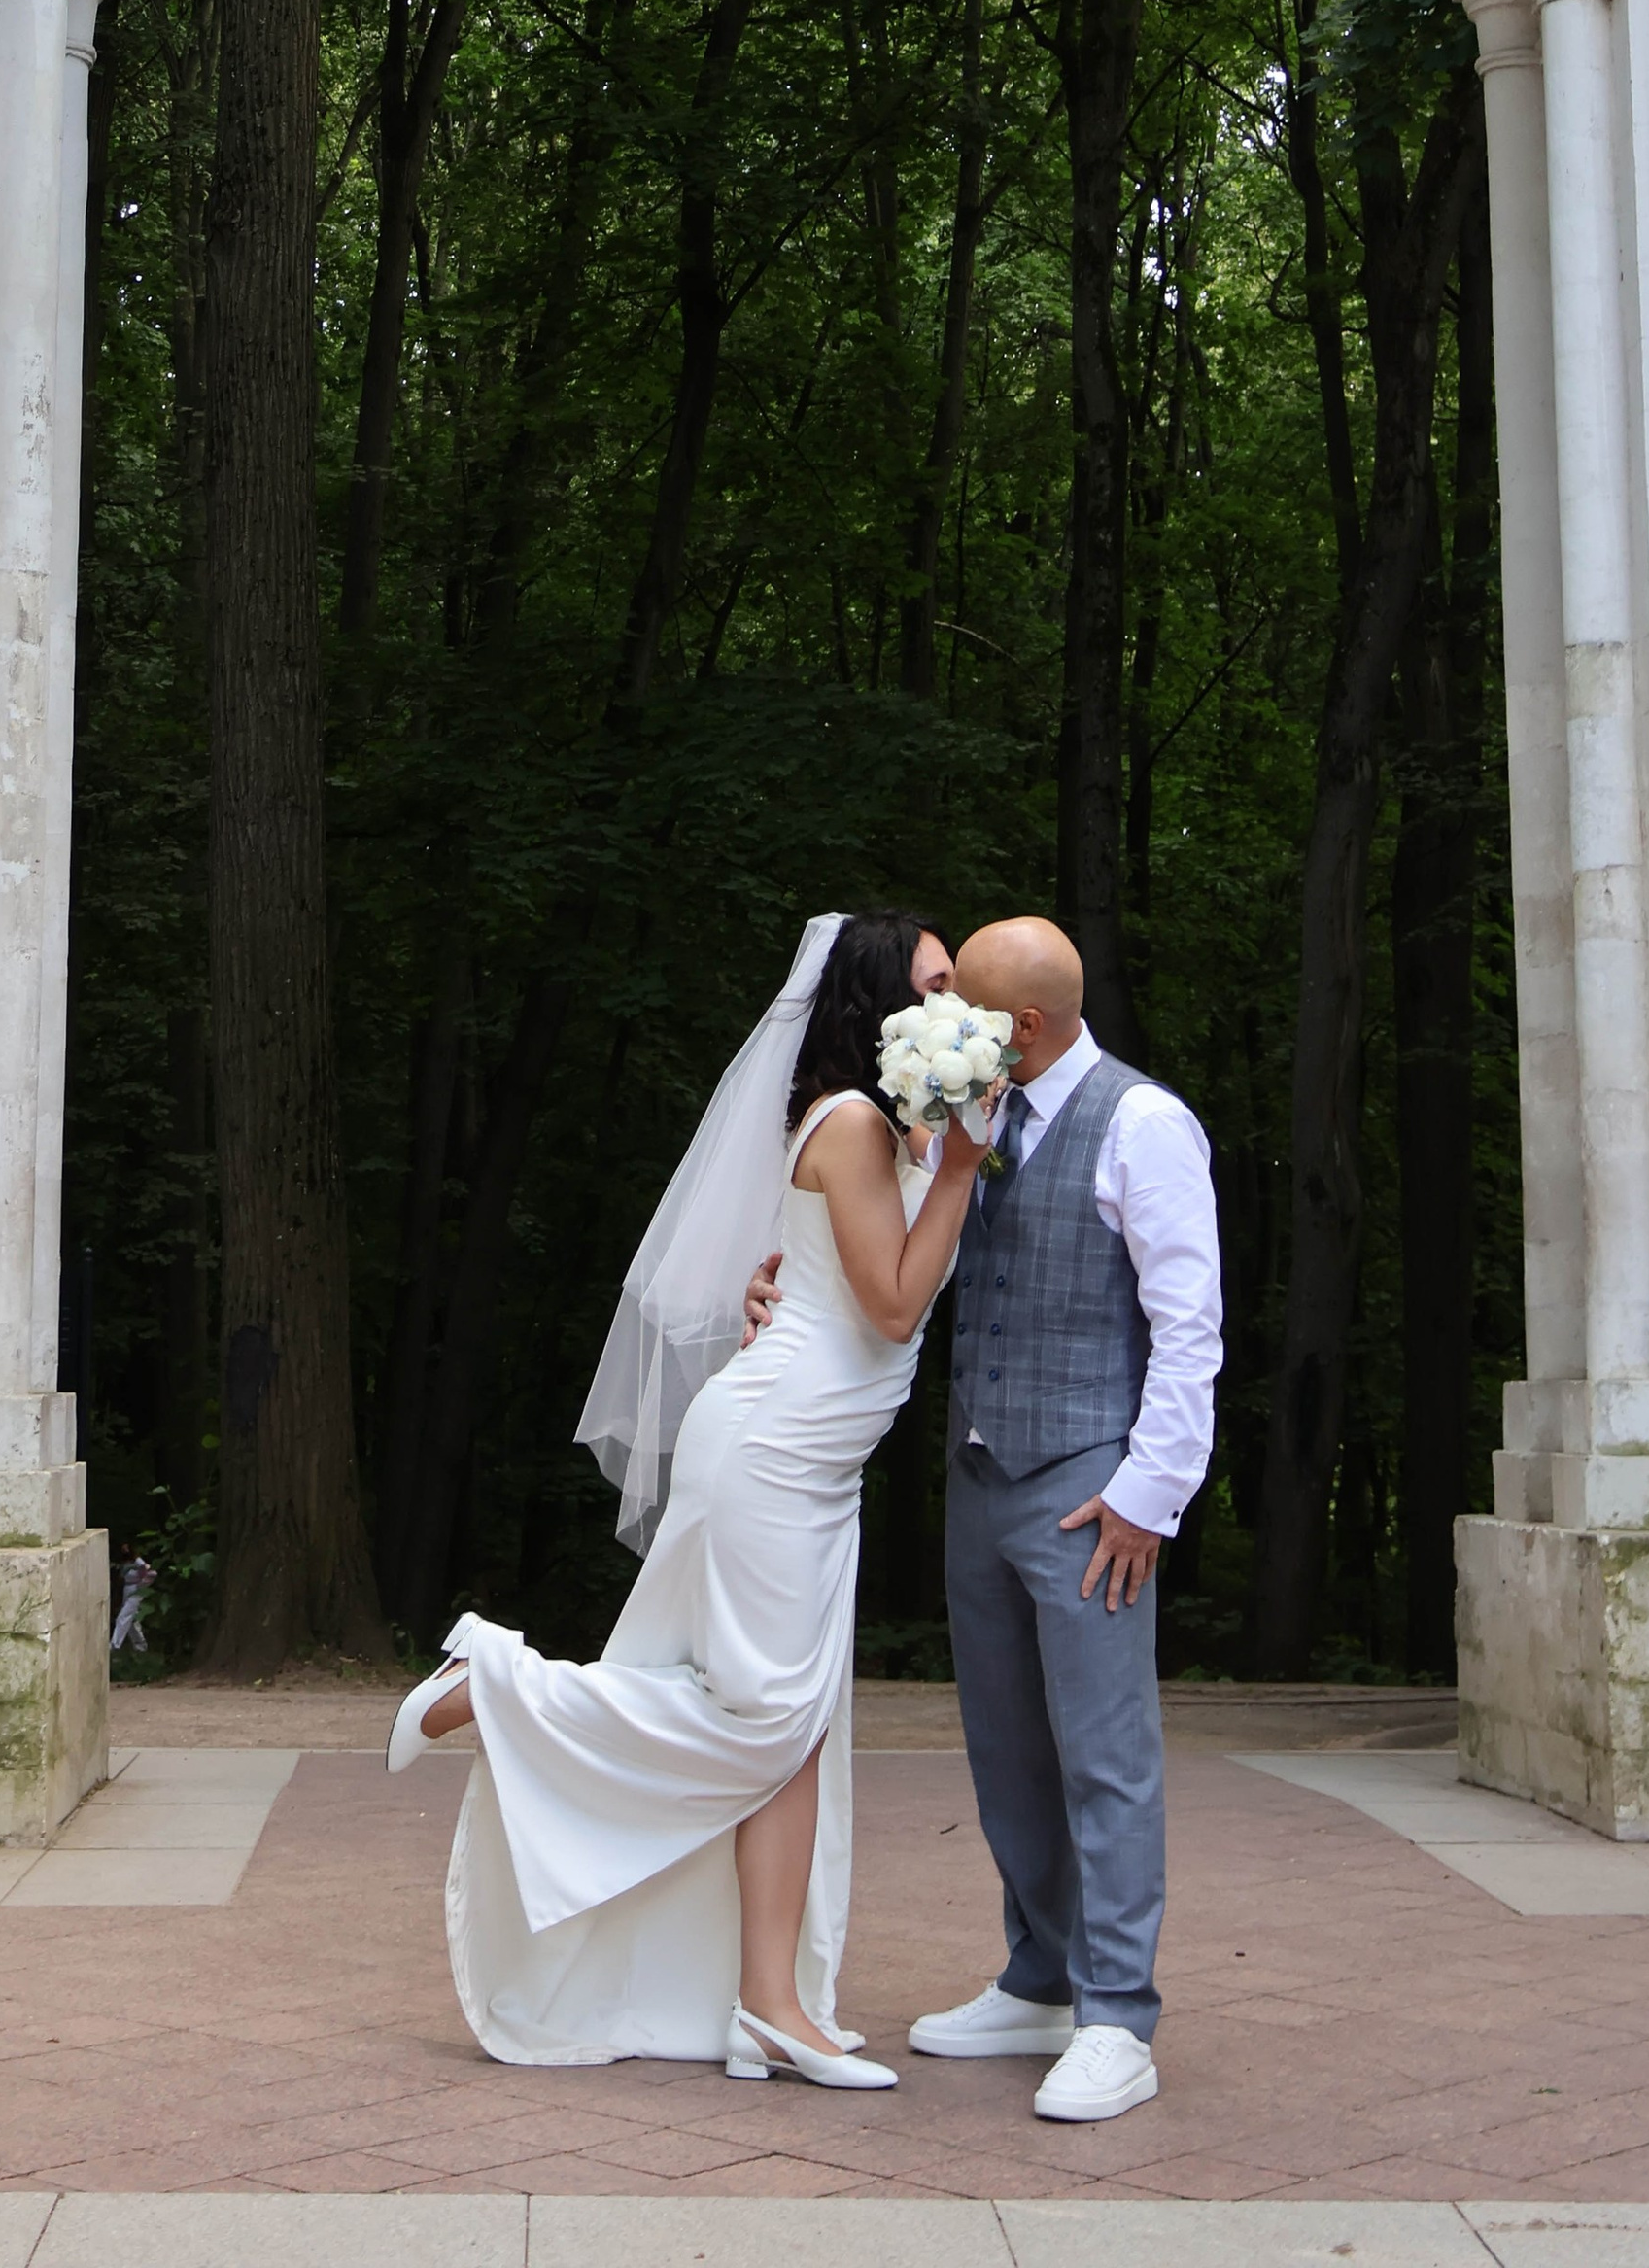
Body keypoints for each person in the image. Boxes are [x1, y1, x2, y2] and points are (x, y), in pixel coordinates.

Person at [386, 910, 975, 2084]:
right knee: (760, 1716)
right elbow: (897, 1305)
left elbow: (823, 1277)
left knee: (790, 1729)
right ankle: (497, 1688)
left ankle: (773, 2006)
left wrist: (931, 1165)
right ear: (875, 1003)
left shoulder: (880, 1129)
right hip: (773, 1453)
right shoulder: (858, 1121)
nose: (952, 1002)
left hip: (813, 1464)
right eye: (934, 983)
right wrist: (959, 1165)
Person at [745, 912, 1221, 2124]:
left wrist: (1144, 1497)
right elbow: (889, 1257)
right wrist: (779, 1282)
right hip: (981, 1471)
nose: (940, 1023)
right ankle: (1037, 1975)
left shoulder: (1143, 1123)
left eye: (966, 1007)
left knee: (1105, 1754)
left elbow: (1189, 1330)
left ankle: (1118, 2015)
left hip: (1090, 1487)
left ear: (1023, 1027)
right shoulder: (968, 1110)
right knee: (1005, 1745)